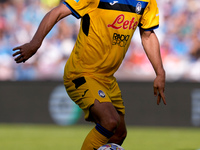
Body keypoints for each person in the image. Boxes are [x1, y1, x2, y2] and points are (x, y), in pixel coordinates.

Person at [13, 0, 167, 149]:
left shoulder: (147, 1)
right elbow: (58, 12)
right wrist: (35, 43)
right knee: (110, 121)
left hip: (107, 79)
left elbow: (148, 35)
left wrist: (159, 73)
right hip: (81, 73)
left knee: (119, 134)